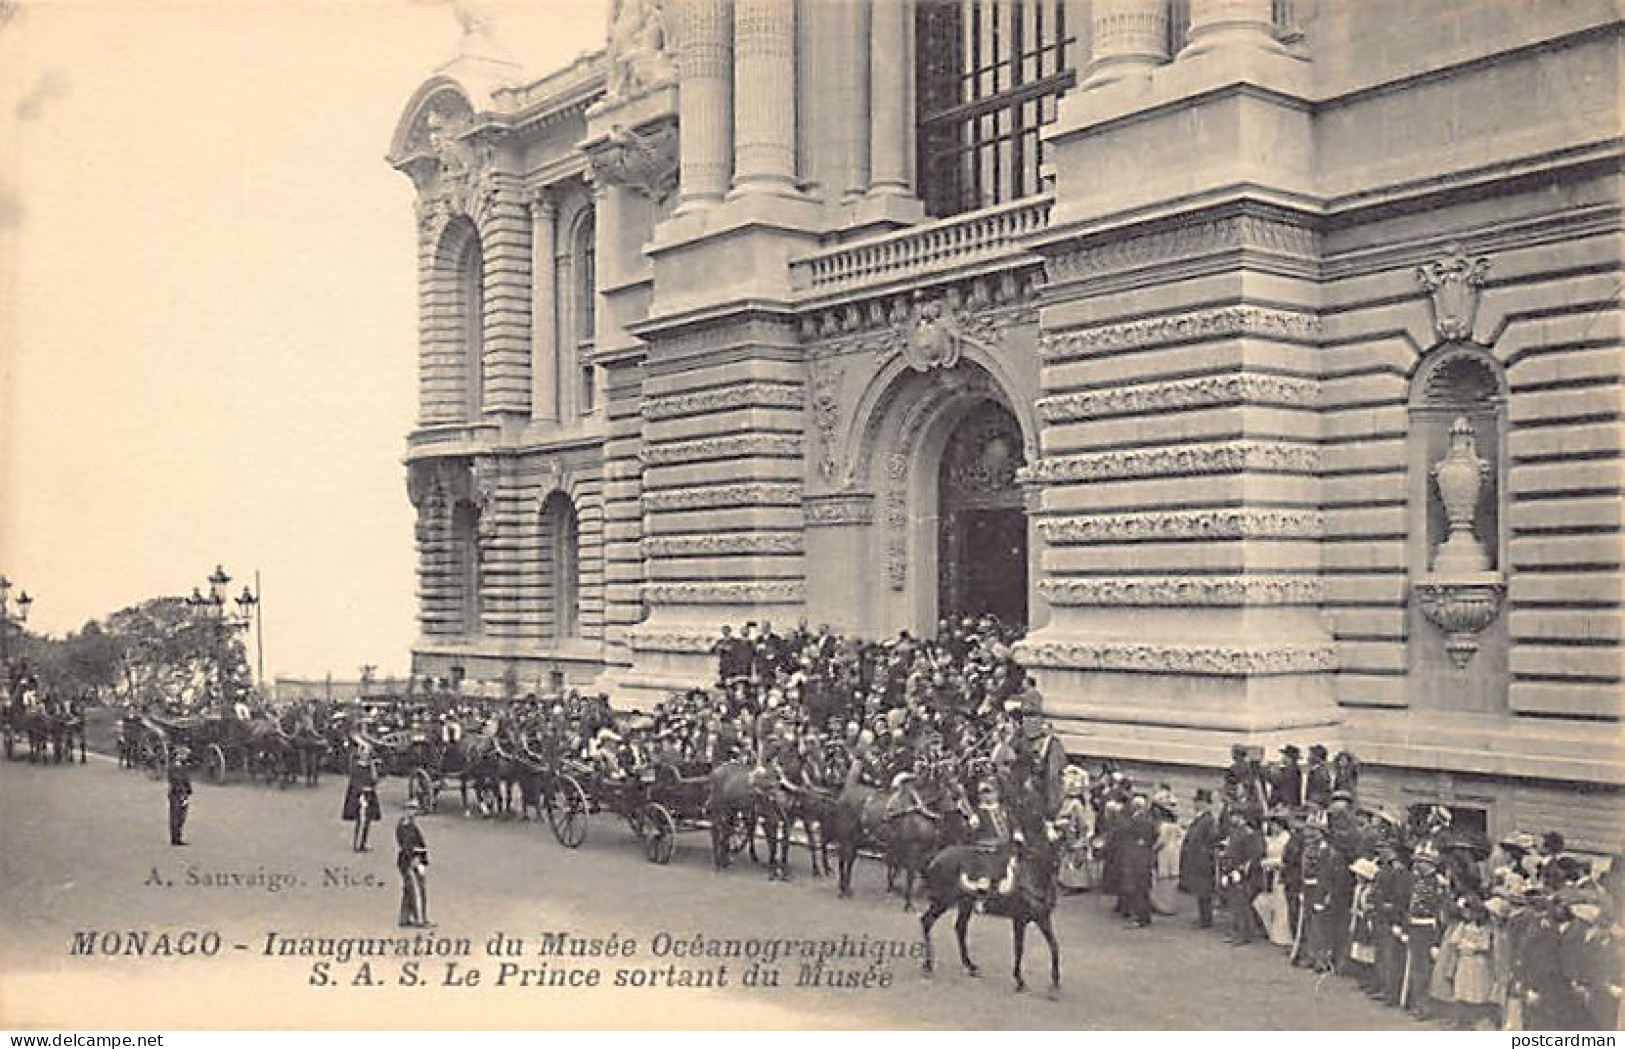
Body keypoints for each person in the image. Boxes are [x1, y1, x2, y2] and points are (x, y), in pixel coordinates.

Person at [1178, 788, 1221, 929]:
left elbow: (1210, 838)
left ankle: (1206, 919)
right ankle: (1203, 917)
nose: (1195, 804)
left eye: (1198, 801)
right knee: (1200, 889)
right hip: (1197, 858)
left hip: (1203, 859)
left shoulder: (1207, 820)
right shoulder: (1201, 818)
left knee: (1204, 890)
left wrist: (1203, 850)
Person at [396, 800, 431, 928]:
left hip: (411, 859)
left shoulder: (410, 825)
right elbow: (408, 846)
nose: (413, 811)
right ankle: (420, 919)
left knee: (408, 889)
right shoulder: (405, 827)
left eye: (414, 809)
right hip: (409, 861)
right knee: (416, 889)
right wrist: (416, 860)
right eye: (411, 809)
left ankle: (404, 918)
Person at [343, 745, 382, 852]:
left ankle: (363, 843)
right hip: (360, 796)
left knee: (367, 820)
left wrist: (373, 766)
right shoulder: (356, 767)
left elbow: (375, 779)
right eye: (364, 753)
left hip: (369, 795)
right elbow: (354, 782)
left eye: (368, 753)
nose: (366, 755)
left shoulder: (370, 767)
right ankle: (357, 844)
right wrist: (361, 791)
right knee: (361, 820)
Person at [167, 746, 193, 846]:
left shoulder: (183, 766)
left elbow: (186, 779)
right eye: (184, 755)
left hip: (183, 793)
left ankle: (178, 836)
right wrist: (182, 791)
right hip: (176, 793)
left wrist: (188, 790)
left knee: (182, 815)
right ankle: (175, 838)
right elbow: (175, 780)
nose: (185, 757)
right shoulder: (173, 767)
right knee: (176, 816)